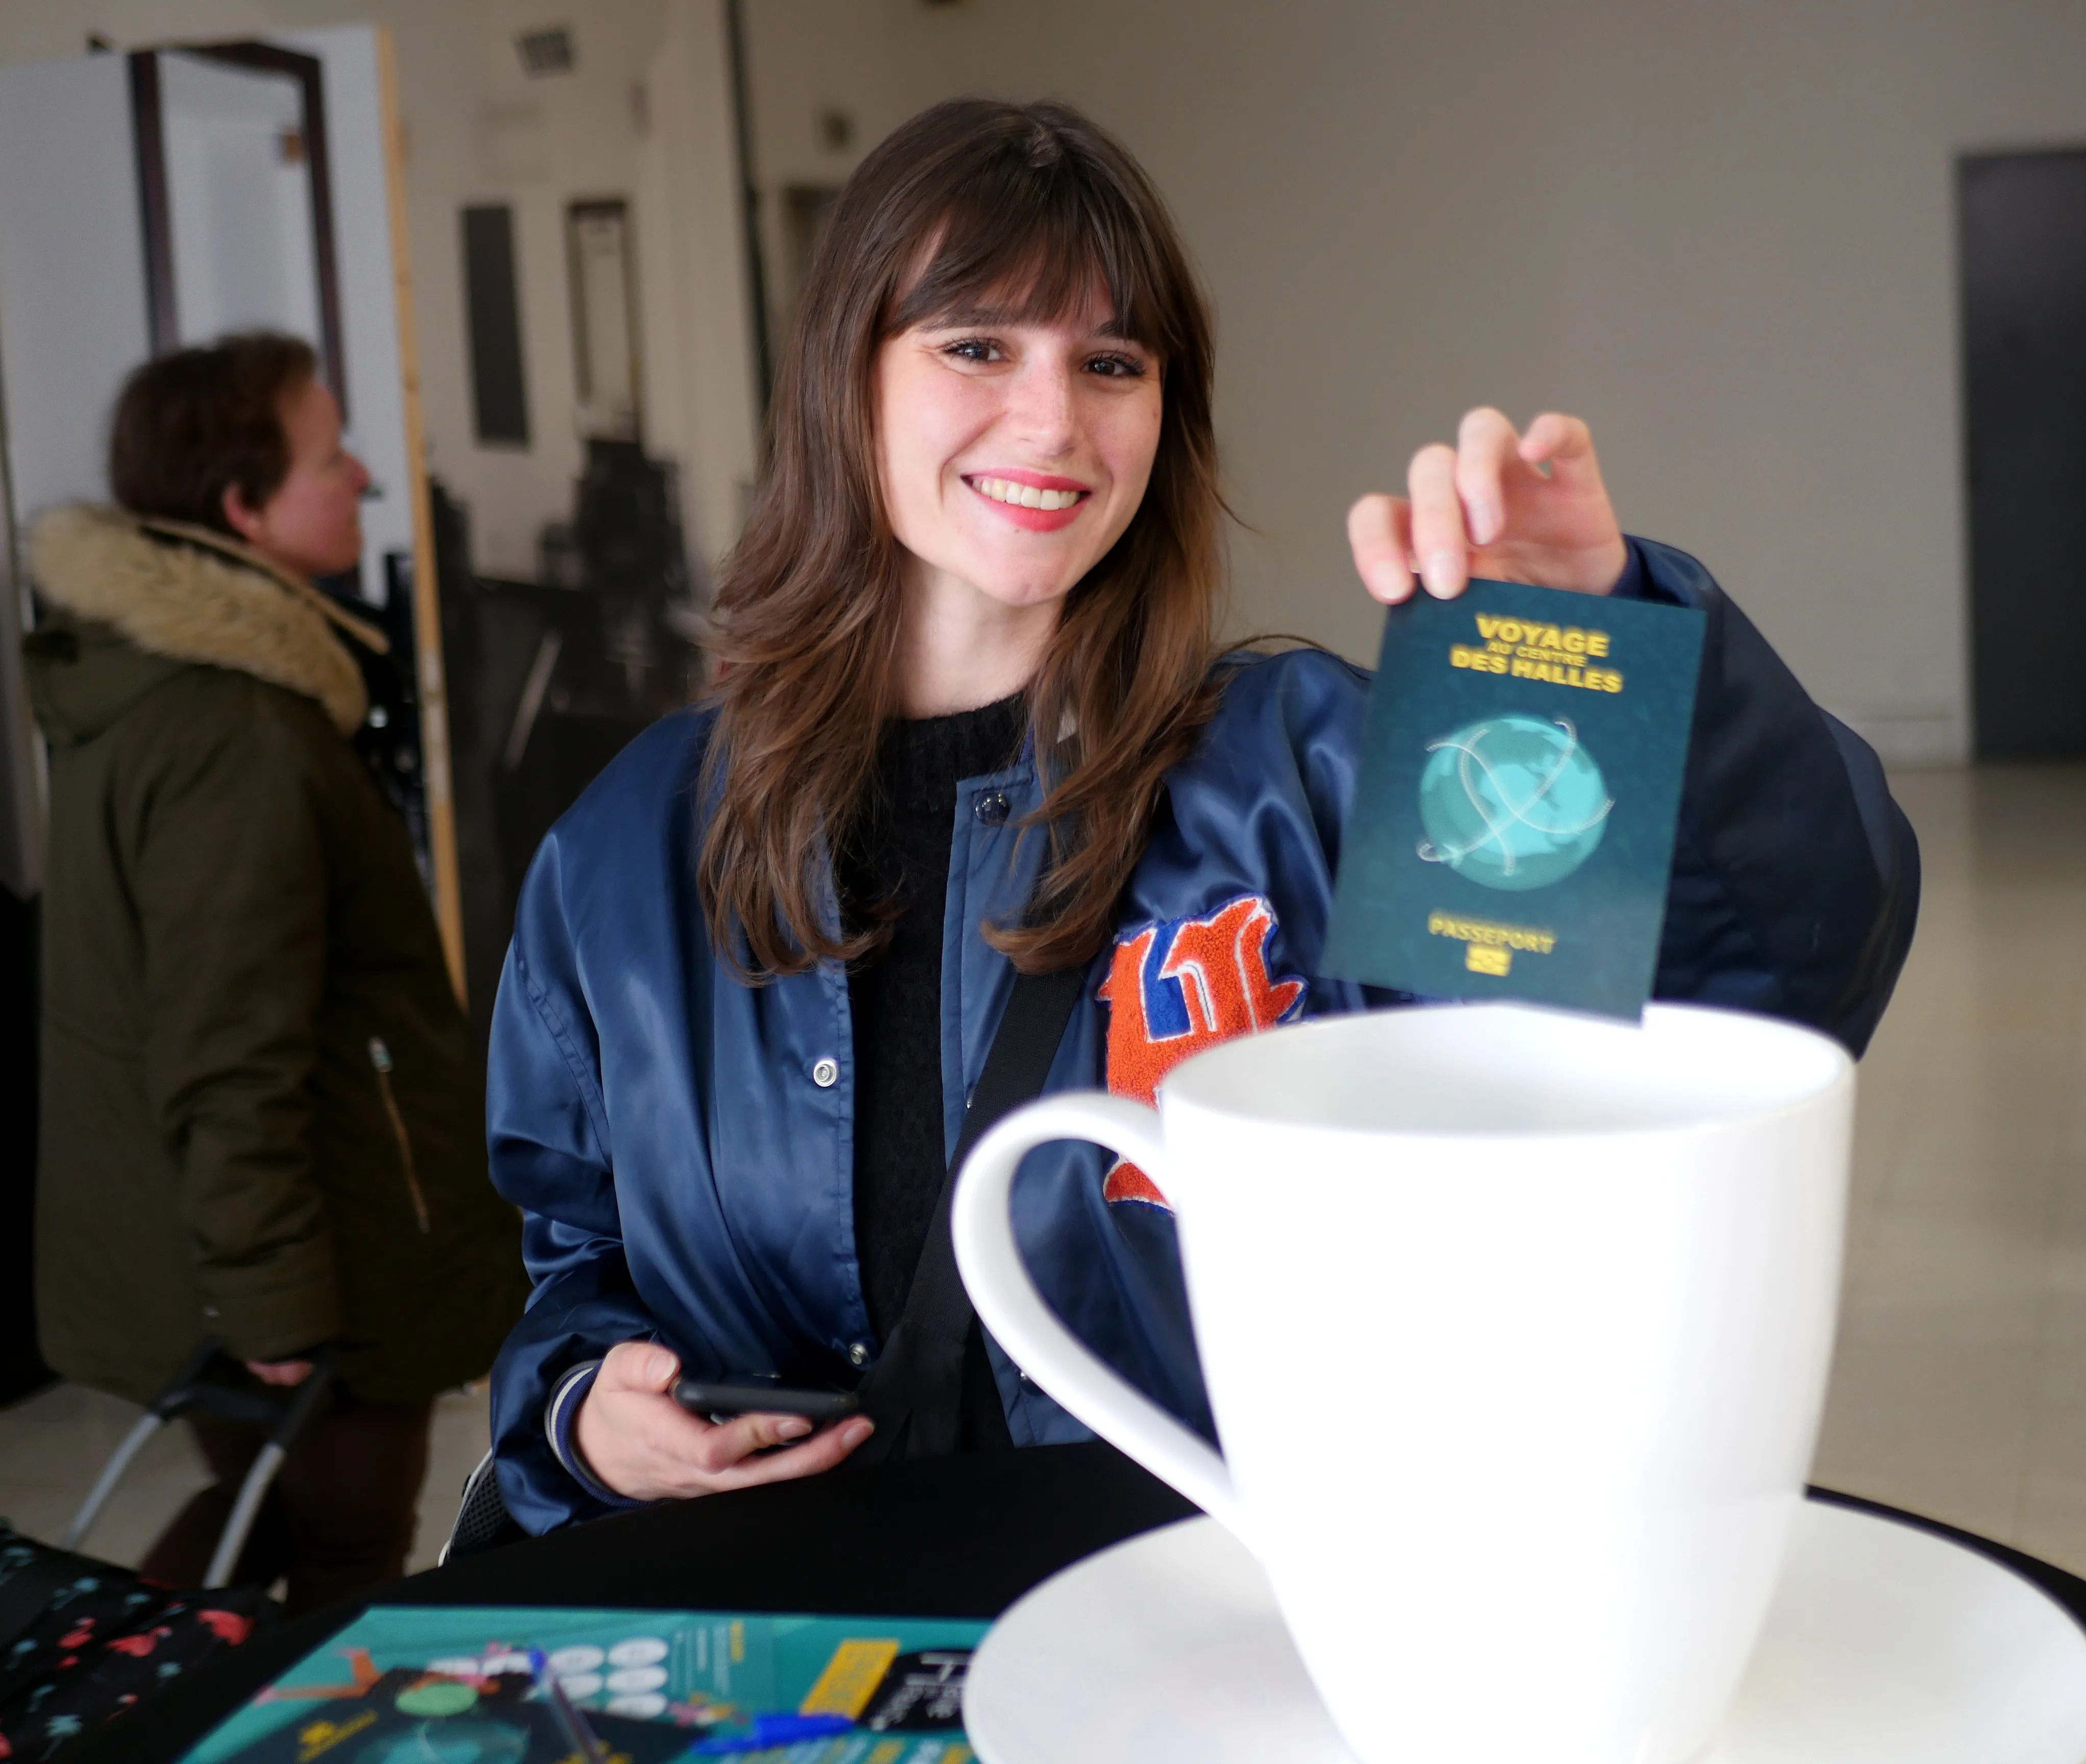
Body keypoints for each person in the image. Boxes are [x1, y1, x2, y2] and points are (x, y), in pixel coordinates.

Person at [487, 99, 1920, 1532]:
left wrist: (1601, 654)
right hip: (805, 1662)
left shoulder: (1304, 779)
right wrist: (582, 1412)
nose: (1053, 420)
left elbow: (1756, 1001)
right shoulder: (634, 847)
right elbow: (577, 1257)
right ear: (840, 375)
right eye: (977, 345)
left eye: (1111, 361)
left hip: (1213, 1640)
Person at [26, 333, 527, 1610]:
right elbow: (226, 1052)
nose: (364, 475)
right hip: (309, 1259)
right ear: (243, 508)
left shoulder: (177, 693)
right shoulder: (234, 733)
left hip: (226, 1244)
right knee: (340, 1549)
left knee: (261, 1526)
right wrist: (276, 1312)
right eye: (330, 453)